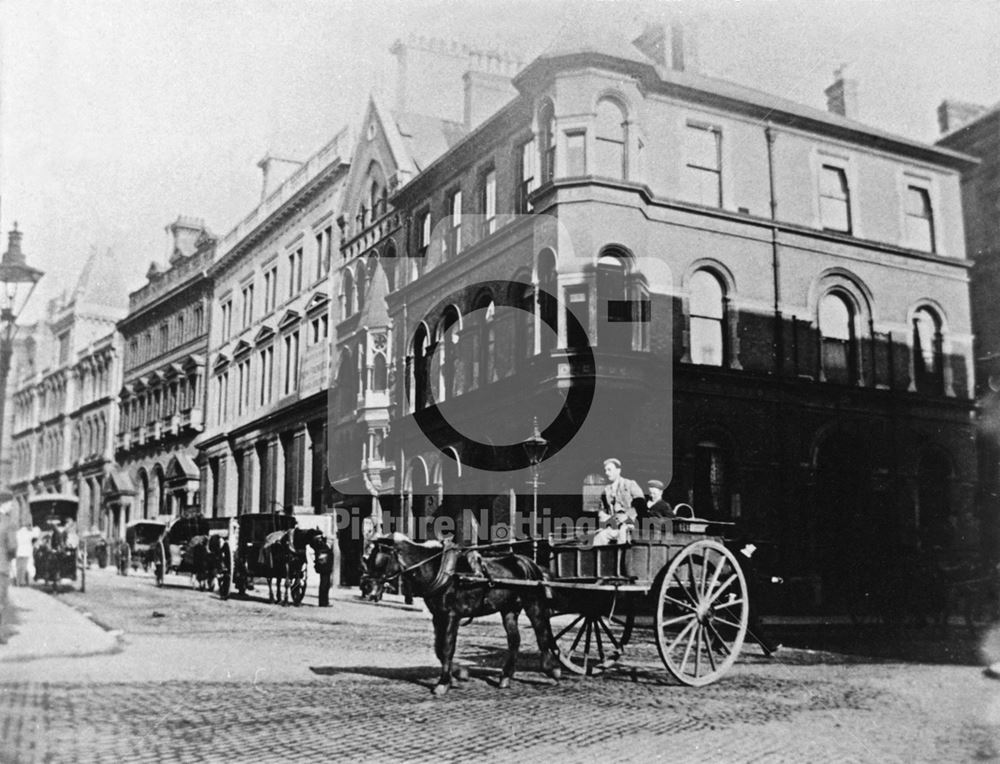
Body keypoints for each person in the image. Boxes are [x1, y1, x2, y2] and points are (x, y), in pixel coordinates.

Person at [593, 458, 645, 546]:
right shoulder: (606, 490)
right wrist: (607, 519)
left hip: (630, 525)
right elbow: (602, 511)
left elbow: (640, 503)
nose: (606, 473)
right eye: (605, 470)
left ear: (618, 470)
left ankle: (622, 558)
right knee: (599, 537)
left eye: (609, 470)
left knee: (623, 535)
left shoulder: (629, 484)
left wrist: (627, 515)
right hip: (613, 526)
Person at [0, 499, 18, 643]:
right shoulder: (7, 522)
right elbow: (12, 546)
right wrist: (11, 558)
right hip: (1, 567)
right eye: (10, 504)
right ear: (3, 504)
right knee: (1, 601)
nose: (12, 507)